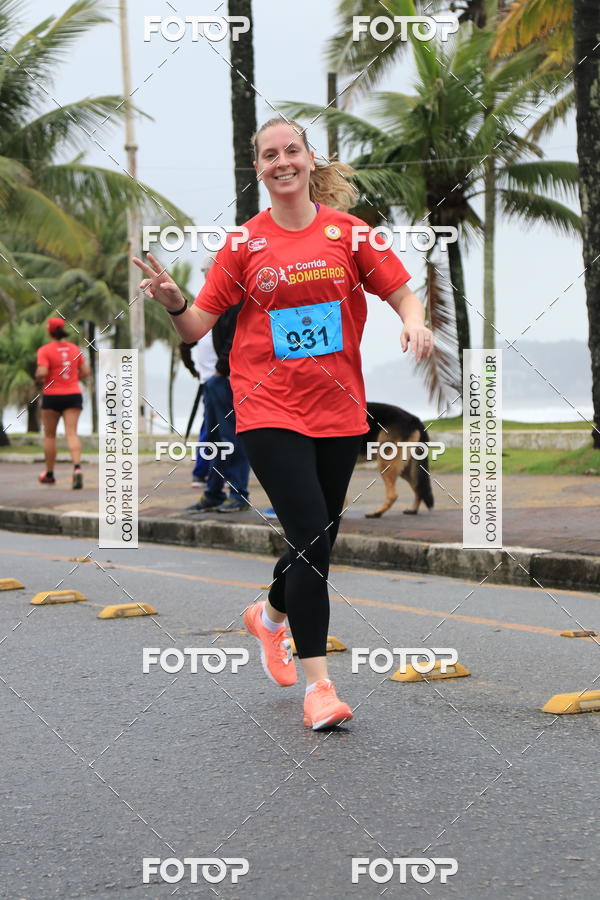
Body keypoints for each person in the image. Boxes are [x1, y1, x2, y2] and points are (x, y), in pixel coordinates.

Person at [134, 117, 434, 730]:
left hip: (340, 408)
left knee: (317, 537)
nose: (281, 161)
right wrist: (172, 301)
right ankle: (319, 688)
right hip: (268, 408)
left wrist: (414, 319)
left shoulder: (349, 234)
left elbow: (402, 291)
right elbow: (197, 325)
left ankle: (268, 617)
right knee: (309, 536)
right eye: (269, 155)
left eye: (290, 150)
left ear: (307, 158)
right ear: (259, 170)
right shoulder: (244, 244)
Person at [35, 317, 90, 489]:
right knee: (71, 433)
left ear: (49, 331)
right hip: (73, 394)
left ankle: (49, 475)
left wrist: (38, 376)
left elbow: (42, 372)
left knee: (50, 435)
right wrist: (73, 378)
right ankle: (77, 469)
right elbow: (86, 371)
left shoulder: (45, 350)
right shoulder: (74, 349)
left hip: (52, 395)